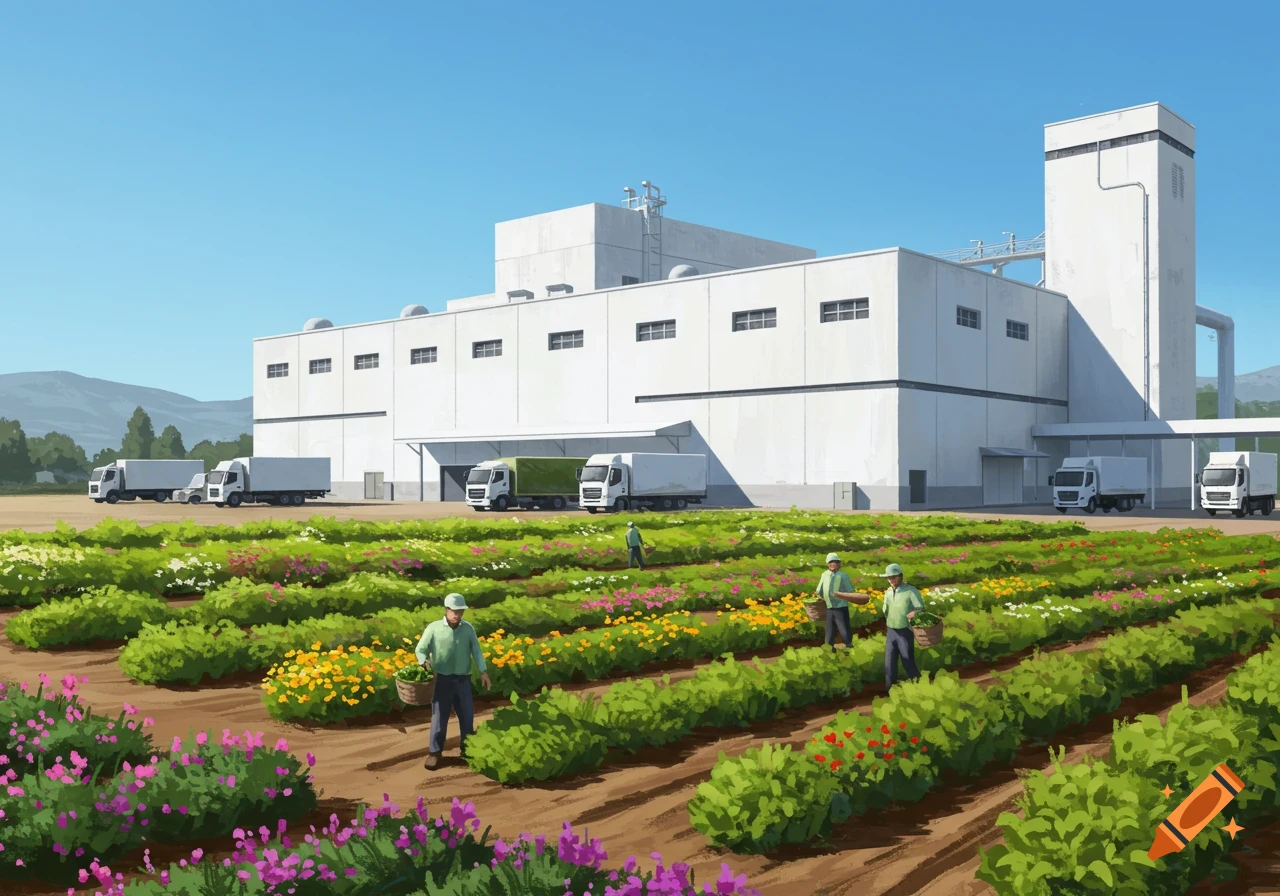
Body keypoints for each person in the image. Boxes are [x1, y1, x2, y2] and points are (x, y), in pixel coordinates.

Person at [414, 592, 491, 770]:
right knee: (439, 718)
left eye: (460, 611)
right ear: (446, 610)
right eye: (453, 611)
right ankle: (434, 753)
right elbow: (421, 649)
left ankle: (467, 750)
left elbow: (476, 651)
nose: (457, 615)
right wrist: (423, 661)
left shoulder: (468, 629)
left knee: (467, 716)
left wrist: (483, 671)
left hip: (463, 679)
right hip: (441, 679)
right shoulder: (434, 628)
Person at [879, 563, 924, 691]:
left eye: (894, 577)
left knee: (907, 660)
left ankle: (920, 686)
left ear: (900, 577)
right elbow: (885, 610)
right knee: (889, 662)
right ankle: (890, 690)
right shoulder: (887, 592)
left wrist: (914, 613)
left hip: (905, 630)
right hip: (891, 630)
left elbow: (920, 607)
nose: (891, 580)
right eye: (889, 578)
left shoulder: (910, 591)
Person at [814, 552, 859, 648]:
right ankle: (829, 648)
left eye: (835, 562)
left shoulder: (843, 576)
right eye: (830, 562)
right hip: (829, 607)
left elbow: (850, 591)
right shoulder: (824, 575)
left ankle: (849, 646)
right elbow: (819, 590)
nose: (833, 564)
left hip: (841, 607)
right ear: (827, 564)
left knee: (844, 629)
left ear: (839, 564)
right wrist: (819, 596)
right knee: (829, 629)